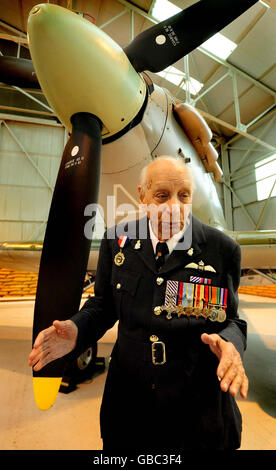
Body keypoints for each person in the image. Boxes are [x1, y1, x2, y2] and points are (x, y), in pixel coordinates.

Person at [29, 156, 248, 451]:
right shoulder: (116, 241)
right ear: (142, 196)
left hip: (197, 414)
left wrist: (229, 343)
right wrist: (77, 329)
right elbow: (103, 306)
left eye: (184, 196)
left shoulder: (222, 250)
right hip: (129, 409)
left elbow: (233, 320)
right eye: (162, 196)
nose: (174, 206)